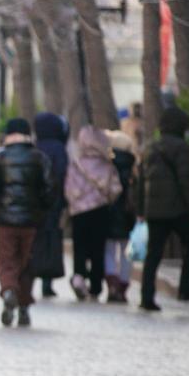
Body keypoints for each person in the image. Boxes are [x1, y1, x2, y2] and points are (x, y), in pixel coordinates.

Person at [0, 118, 54, 327]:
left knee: (7, 260)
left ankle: (9, 290)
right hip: (31, 222)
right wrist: (40, 208)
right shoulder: (40, 158)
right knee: (27, 263)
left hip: (5, 222)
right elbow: (50, 189)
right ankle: (24, 307)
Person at [136, 106, 189, 311]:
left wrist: (140, 209)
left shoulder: (150, 147)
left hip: (154, 211)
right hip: (178, 210)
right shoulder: (181, 148)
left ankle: (146, 297)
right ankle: (186, 289)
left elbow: (141, 181)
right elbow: (185, 181)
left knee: (153, 253)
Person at [64, 125, 122, 301]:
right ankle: (96, 285)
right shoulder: (106, 164)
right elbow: (115, 188)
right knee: (98, 248)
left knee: (79, 247)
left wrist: (76, 202)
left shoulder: (76, 164)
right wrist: (106, 198)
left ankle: (79, 277)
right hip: (100, 210)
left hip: (78, 212)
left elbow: (68, 189)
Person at [29, 113, 69, 299]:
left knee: (34, 240)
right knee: (50, 239)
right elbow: (62, 174)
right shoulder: (59, 149)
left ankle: (31, 277)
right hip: (53, 202)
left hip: (33, 203)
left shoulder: (34, 147)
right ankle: (47, 282)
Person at [105, 130, 138, 303]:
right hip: (127, 214)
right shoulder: (133, 166)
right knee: (127, 252)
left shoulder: (107, 164)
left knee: (109, 250)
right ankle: (123, 286)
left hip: (109, 212)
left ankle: (112, 284)